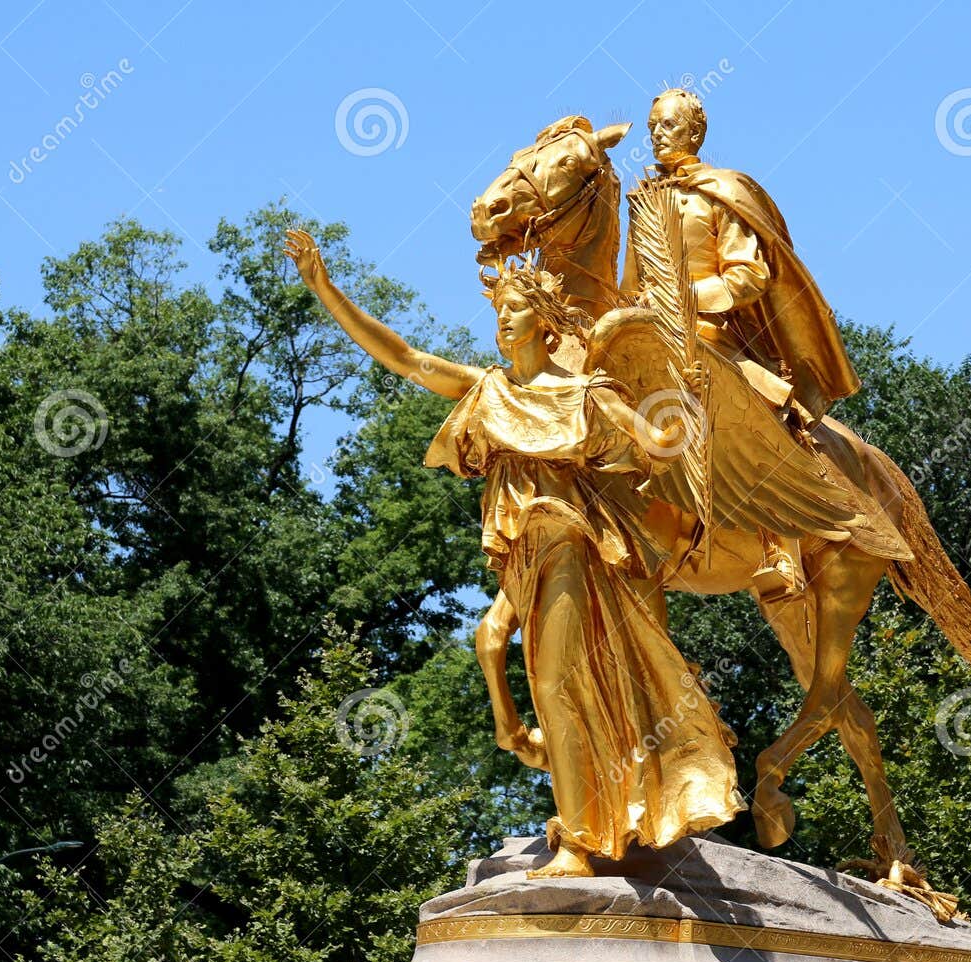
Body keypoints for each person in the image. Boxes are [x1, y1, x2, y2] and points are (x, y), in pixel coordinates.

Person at [284, 229, 744, 878]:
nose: (504, 317)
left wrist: (689, 399)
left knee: (556, 682)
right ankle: (588, 812)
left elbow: (659, 444)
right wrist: (324, 288)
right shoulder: (490, 392)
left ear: (548, 323)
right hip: (523, 559)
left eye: (517, 307)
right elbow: (405, 357)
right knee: (536, 673)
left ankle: (581, 843)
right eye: (498, 309)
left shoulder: (587, 395)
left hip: (571, 547)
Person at [622, 88, 864, 598]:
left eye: (668, 126)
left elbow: (749, 275)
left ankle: (780, 548)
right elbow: (628, 285)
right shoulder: (642, 203)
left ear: (694, 133)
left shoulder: (721, 192)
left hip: (713, 339)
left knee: (753, 413)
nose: (657, 136)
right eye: (652, 128)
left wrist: (684, 298)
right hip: (652, 340)